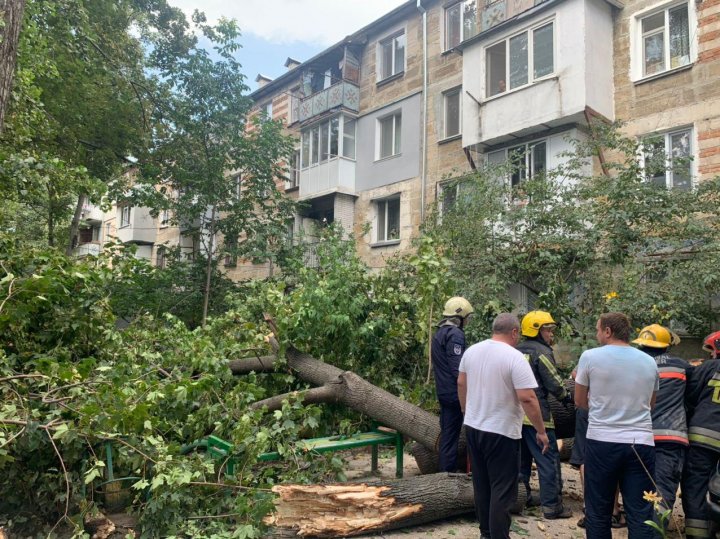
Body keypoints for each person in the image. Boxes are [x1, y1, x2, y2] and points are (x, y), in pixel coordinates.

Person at [458, 313, 550, 539]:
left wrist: (465, 410)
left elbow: (461, 382)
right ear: (514, 332)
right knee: (502, 488)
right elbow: (528, 398)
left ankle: (486, 533)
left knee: (482, 484)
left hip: (474, 426)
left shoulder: (472, 351)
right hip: (501, 431)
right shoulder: (514, 357)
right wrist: (541, 431)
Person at [574, 312, 658, 539]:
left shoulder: (590, 357)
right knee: (641, 512)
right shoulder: (649, 361)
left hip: (602, 442)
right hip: (640, 444)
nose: (596, 333)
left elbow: (579, 402)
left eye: (598, 329)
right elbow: (650, 403)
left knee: (599, 510)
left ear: (608, 331)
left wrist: (604, 408)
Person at [517, 311, 572, 519]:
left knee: (520, 461)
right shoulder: (542, 352)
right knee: (548, 460)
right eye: (548, 330)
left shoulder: (515, 350)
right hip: (537, 415)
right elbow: (554, 382)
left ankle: (522, 498)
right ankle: (552, 506)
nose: (551, 334)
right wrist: (567, 397)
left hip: (515, 416)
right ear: (537, 330)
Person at [632, 324, 689, 523]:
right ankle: (655, 533)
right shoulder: (681, 366)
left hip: (637, 437)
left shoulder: (633, 365)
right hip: (671, 438)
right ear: (666, 346)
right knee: (662, 490)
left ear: (641, 345)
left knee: (638, 489)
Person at [682, 330, 720, 539]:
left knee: (694, 488)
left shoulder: (708, 368)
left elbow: (690, 396)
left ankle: (697, 536)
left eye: (712, 351)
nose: (711, 355)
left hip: (703, 440)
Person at [431, 296, 474, 472]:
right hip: (456, 394)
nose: (468, 321)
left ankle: (445, 474)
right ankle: (457, 474)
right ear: (460, 317)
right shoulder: (455, 335)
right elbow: (458, 369)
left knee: (448, 436)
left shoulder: (439, 333)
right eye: (467, 317)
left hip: (443, 392)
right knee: (470, 435)